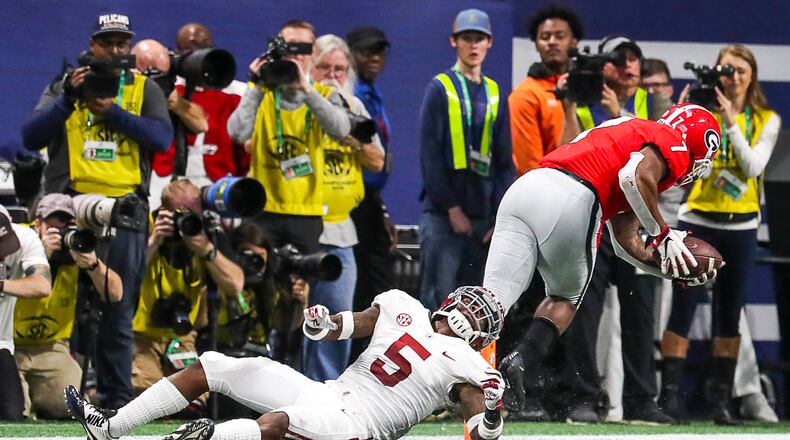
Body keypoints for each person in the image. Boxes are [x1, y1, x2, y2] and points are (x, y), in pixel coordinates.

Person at [489, 104, 722, 418]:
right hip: (574, 197)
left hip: (528, 188)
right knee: (564, 299)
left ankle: (441, 362)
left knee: (491, 302)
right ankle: (521, 359)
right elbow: (634, 176)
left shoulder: (632, 134)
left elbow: (626, 244)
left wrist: (667, 267)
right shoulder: (671, 144)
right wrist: (664, 235)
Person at [66, 286, 506, 440]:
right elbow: (339, 328)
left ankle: (206, 438)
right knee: (216, 364)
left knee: (277, 424)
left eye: (479, 318)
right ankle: (109, 428)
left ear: (483, 335)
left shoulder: (470, 365)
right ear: (452, 299)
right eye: (471, 306)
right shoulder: (400, 305)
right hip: (329, 394)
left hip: (362, 428)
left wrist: (491, 411)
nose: (469, 316)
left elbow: (480, 437)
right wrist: (317, 322)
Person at [20, 13, 173, 409]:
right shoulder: (67, 84)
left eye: (123, 43)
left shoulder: (144, 87)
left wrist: (112, 112)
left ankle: (117, 404)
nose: (117, 50)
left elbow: (161, 138)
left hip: (124, 212)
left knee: (118, 311)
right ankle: (67, 396)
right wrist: (70, 99)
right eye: (108, 42)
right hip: (66, 207)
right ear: (92, 45)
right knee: (65, 303)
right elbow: (31, 135)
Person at [553, 36, 676, 424]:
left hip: (633, 220)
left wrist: (617, 112)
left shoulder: (650, 103)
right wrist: (570, 103)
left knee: (640, 310)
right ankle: (584, 398)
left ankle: (642, 401)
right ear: (603, 66)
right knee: (583, 310)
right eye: (620, 60)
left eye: (635, 60)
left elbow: (655, 162)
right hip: (591, 220)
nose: (628, 67)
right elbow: (564, 151)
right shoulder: (582, 96)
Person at [659, 44, 781, 425]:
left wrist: (729, 121)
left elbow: (752, 166)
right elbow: (672, 155)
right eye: (727, 70)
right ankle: (669, 400)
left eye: (741, 70)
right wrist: (681, 112)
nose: (734, 77)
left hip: (741, 224)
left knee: (729, 315)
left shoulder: (765, 118)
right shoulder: (701, 114)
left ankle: (720, 403)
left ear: (752, 75)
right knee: (682, 309)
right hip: (698, 218)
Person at [419, 8, 515, 311]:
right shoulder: (440, 89)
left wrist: (500, 216)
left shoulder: (495, 93)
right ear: (453, 42)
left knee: (477, 308)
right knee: (438, 301)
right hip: (444, 218)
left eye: (479, 39)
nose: (473, 46)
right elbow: (429, 156)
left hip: (484, 222)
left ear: (489, 43)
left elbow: (504, 162)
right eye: (466, 38)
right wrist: (451, 209)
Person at [228, 20, 351, 255]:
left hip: (307, 212)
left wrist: (307, 90)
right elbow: (237, 133)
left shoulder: (325, 94)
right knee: (259, 284)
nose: (295, 57)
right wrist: (256, 84)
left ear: (313, 53)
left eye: (302, 50)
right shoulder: (261, 93)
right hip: (262, 208)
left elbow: (341, 130)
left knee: (302, 287)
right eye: (288, 48)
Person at [301, 34, 384, 381]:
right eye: (324, 67)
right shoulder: (297, 105)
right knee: (291, 320)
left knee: (334, 319)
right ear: (310, 68)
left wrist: (346, 135)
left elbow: (377, 159)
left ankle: (326, 394)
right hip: (299, 224)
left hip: (340, 229)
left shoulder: (355, 107)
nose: (332, 75)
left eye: (339, 68)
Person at [14, 194, 122, 419]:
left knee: (73, 410)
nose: (61, 233)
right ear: (38, 224)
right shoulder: (19, 242)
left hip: (53, 347)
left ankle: (40, 400)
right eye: (54, 226)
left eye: (66, 226)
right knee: (12, 410)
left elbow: (116, 294)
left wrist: (93, 265)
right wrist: (40, 255)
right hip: (10, 346)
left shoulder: (77, 249)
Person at [132, 180, 243, 395]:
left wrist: (207, 250)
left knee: (192, 400)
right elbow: (124, 279)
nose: (188, 220)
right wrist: (154, 242)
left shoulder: (205, 232)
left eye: (194, 214)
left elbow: (235, 285)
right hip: (140, 336)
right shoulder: (145, 225)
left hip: (183, 336)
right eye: (182, 214)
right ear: (164, 211)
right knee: (145, 395)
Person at [148, 24, 250, 210]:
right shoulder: (164, 86)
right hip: (165, 176)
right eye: (188, 50)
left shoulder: (237, 93)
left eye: (202, 49)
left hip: (217, 179)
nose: (196, 58)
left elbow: (245, 150)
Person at [346, 25, 398, 360]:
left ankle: (371, 361)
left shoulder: (371, 92)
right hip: (349, 205)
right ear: (351, 53)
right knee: (360, 292)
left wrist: (381, 209)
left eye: (379, 51)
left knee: (376, 290)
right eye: (367, 51)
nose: (375, 57)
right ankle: (354, 363)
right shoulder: (350, 93)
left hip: (370, 205)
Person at [509, 5, 583, 176]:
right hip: (550, 193)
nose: (552, 42)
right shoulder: (526, 95)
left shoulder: (589, 90)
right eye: (544, 37)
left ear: (574, 42)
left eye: (560, 36)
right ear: (536, 44)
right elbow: (530, 169)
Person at [0, 205, 51, 420]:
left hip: (0, 343)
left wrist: (1, 285)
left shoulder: (24, 237)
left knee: (11, 414)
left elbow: (43, 285)